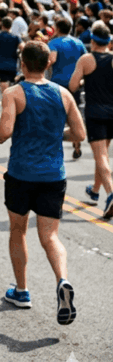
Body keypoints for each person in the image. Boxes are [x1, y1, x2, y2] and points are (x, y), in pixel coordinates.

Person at [0, 41, 83, 324]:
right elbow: (79, 134)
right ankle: (62, 280)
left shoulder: (13, 93)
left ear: (22, 63)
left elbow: (3, 133)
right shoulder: (64, 94)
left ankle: (21, 291)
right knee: (50, 236)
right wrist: (56, 135)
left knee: (18, 230)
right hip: (53, 175)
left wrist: (1, 131)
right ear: (48, 64)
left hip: (21, 173)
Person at [68, 23, 113, 217]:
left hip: (95, 112)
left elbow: (72, 85)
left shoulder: (86, 59)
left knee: (100, 155)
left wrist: (86, 79)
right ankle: (95, 190)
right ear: (109, 42)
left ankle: (110, 193)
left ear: (93, 41)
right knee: (102, 154)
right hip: (112, 112)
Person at [47, 18, 87, 159]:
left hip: (57, 84)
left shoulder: (54, 43)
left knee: (56, 115)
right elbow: (85, 59)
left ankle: (54, 147)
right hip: (75, 83)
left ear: (57, 28)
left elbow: (52, 59)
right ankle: (76, 144)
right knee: (73, 114)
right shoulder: (78, 42)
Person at [0, 18, 22, 92]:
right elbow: (23, 47)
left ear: (2, 25)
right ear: (11, 25)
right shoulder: (16, 37)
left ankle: (5, 97)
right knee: (12, 83)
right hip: (13, 64)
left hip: (1, 64)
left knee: (3, 81)